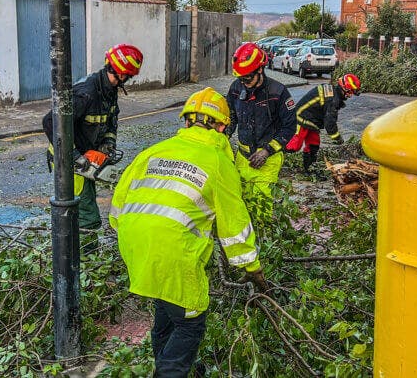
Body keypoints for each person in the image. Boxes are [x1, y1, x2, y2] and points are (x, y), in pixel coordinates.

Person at [110, 87, 266, 377]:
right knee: (190, 324)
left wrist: (136, 237)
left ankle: (176, 367)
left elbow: (117, 206)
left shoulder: (153, 151)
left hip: (135, 245)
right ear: (222, 127)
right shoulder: (218, 162)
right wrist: (252, 268)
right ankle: (169, 372)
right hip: (175, 253)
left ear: (186, 121)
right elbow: (235, 226)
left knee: (167, 308)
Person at [42, 43, 143, 235]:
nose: (128, 80)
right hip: (68, 159)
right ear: (122, 73)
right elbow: (49, 122)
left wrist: (108, 144)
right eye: (128, 76)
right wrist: (74, 156)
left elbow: (111, 121)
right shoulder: (86, 92)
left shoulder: (108, 90)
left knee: (82, 204)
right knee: (87, 216)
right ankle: (83, 250)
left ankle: (73, 242)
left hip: (86, 154)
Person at [225, 42, 297, 222]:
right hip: (242, 159)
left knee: (260, 209)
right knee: (241, 206)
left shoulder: (278, 92)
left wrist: (266, 151)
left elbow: (289, 127)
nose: (244, 83)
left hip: (268, 161)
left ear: (260, 70)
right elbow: (230, 117)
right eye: (241, 79)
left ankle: (261, 235)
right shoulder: (236, 88)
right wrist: (222, 137)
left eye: (247, 79)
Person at [285, 73, 362, 173]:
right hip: (301, 118)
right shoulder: (332, 99)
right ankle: (280, 163)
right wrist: (338, 139)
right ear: (343, 88)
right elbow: (330, 122)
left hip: (312, 121)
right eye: (350, 92)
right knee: (293, 145)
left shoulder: (333, 92)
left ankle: (309, 170)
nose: (350, 95)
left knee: (313, 145)